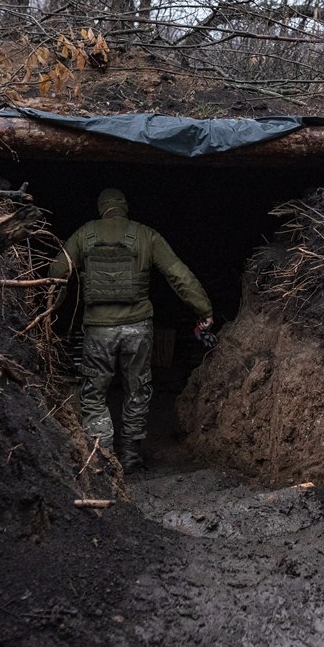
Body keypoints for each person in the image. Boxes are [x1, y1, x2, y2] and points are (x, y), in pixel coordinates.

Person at [49, 188, 213, 472]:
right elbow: (178, 274)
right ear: (125, 207)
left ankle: (101, 458)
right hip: (138, 328)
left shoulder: (84, 234)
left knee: (94, 393)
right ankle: (131, 456)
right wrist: (203, 310)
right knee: (137, 390)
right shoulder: (146, 235)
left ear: (101, 208)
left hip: (99, 330)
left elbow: (57, 273)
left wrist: (51, 312)